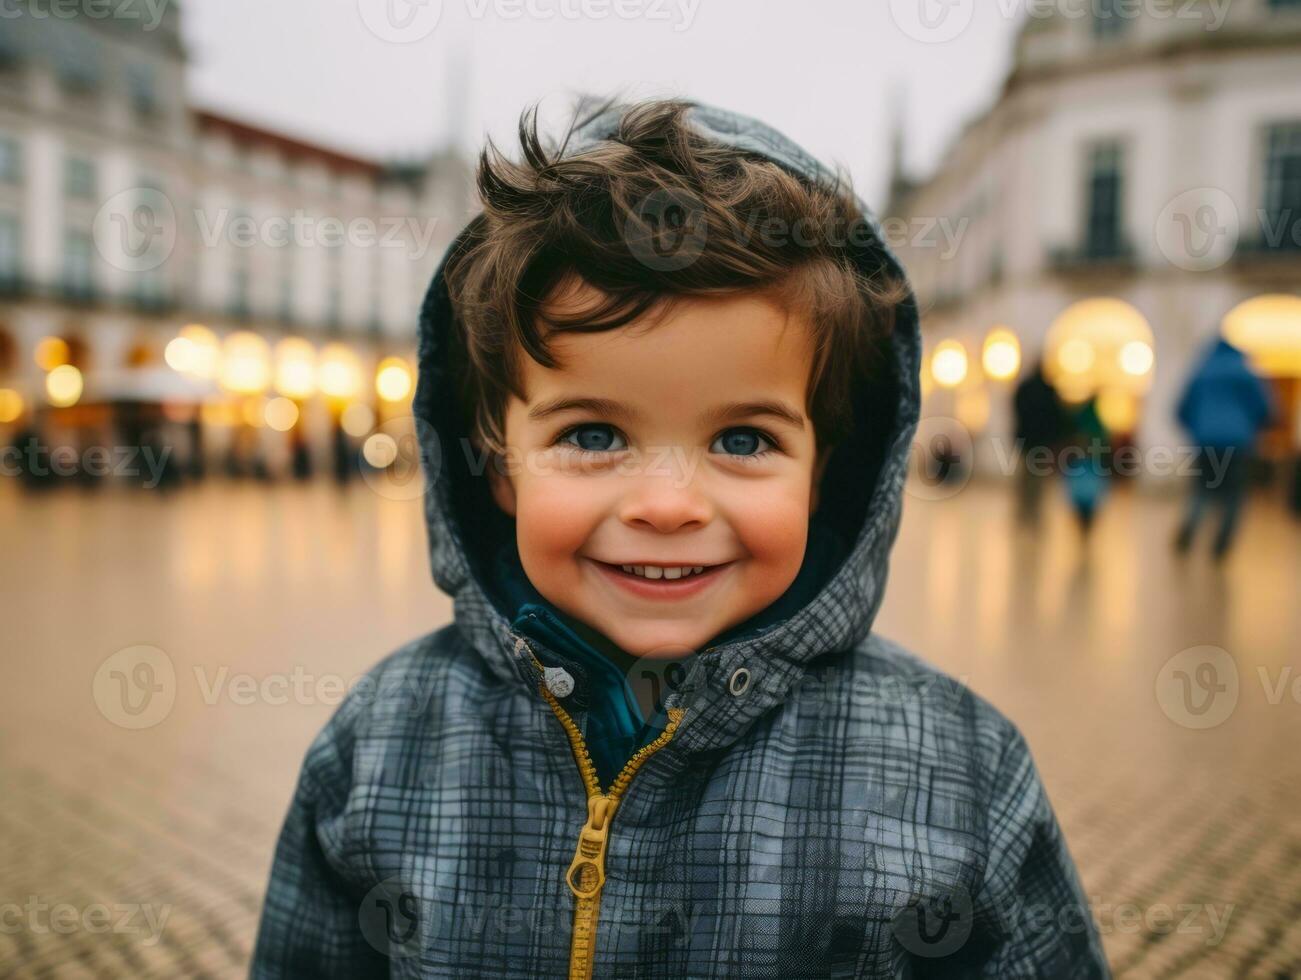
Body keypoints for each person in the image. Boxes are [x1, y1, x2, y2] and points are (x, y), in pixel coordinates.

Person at [250, 99, 1109, 978]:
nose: (666, 504)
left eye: (742, 440)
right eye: (591, 435)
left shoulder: (960, 769)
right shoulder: (383, 740)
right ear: (500, 465)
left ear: (824, 474)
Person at [1174, 336, 1275, 559]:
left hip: (1206, 442)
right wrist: (1251, 428)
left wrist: (1198, 429)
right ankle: (1221, 544)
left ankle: (1190, 527)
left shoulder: (1202, 372)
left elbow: (1181, 409)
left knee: (1202, 489)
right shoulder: (1246, 373)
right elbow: (1265, 409)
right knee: (1234, 495)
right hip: (1237, 443)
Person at [1012, 359, 1070, 527]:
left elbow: (1017, 410)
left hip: (1026, 441)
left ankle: (1024, 513)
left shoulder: (1025, 388)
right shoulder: (1049, 391)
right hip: (1042, 443)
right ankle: (1034, 514)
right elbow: (1057, 417)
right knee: (1038, 481)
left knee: (1026, 480)